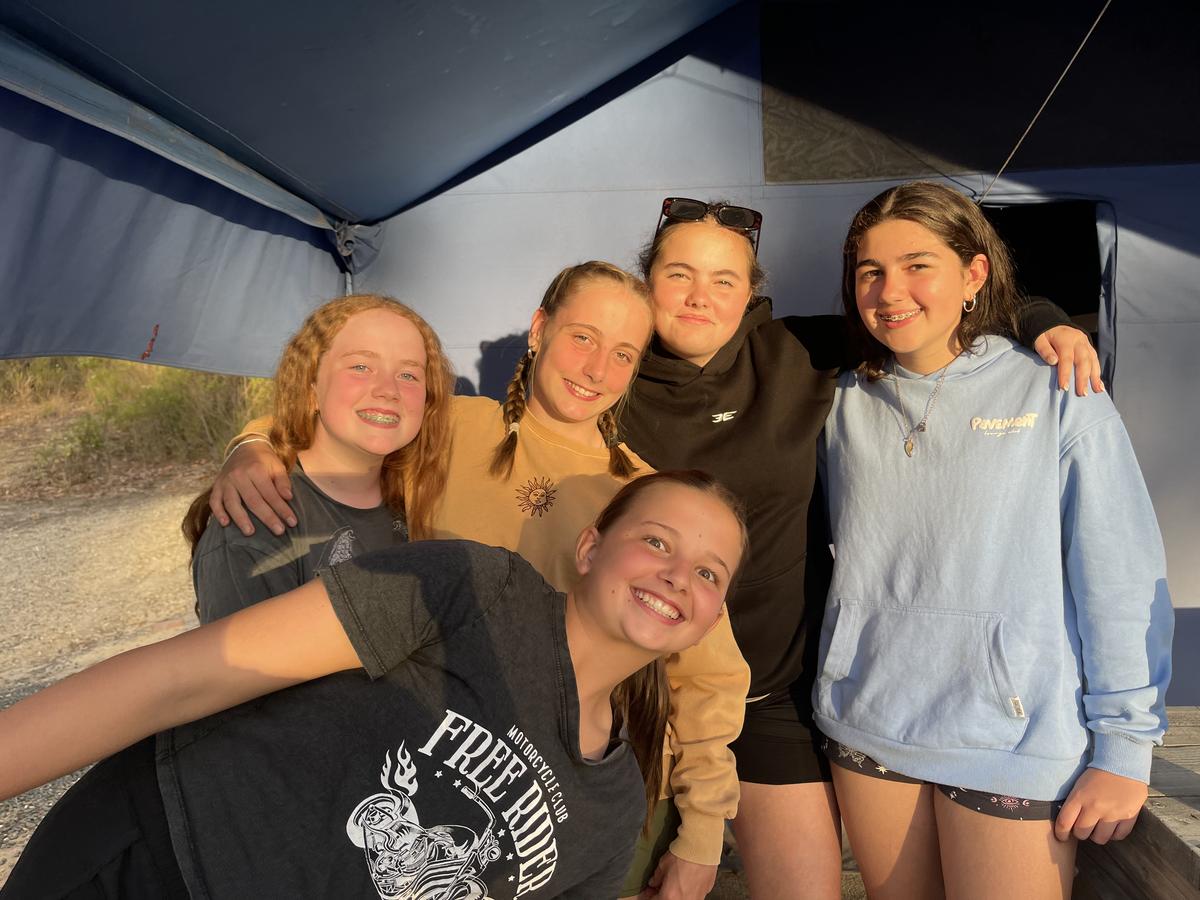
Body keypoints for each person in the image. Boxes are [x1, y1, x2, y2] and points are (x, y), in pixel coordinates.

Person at [612, 196, 1104, 899]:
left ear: (751, 294)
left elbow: (934, 310)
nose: (700, 296)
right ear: (647, 283)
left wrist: (1046, 320)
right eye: (678, 275)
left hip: (771, 696)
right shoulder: (611, 379)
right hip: (643, 694)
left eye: (724, 279)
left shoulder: (799, 353)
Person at [210, 262, 751, 899]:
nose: (595, 369)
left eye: (623, 354)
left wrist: (703, 829)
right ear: (539, 330)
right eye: (582, 337)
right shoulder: (454, 428)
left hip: (563, 808)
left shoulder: (647, 499)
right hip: (423, 759)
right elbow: (342, 427)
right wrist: (252, 446)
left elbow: (710, 677)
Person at [0, 470, 749, 900]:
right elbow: (182, 678)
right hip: (159, 866)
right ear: (590, 548)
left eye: (709, 572)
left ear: (712, 615)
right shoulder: (478, 588)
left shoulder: (615, 808)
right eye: (656, 541)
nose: (677, 575)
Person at [813, 181, 1172, 899]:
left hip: (1014, 739)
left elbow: (1118, 574)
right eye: (869, 271)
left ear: (974, 273)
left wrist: (1126, 745)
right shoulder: (838, 399)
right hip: (868, 726)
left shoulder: (1056, 386)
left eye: (918, 265)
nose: (890, 291)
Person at [181, 294, 455, 622]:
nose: (388, 389)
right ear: (310, 387)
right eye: (360, 367)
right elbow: (235, 655)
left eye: (408, 375)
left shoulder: (417, 495)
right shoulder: (257, 519)